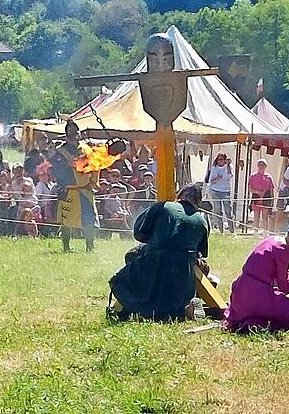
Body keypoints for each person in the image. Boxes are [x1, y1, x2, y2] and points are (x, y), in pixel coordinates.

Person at [109, 184, 210, 321]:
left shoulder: (162, 206)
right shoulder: (202, 220)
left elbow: (139, 233)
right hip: (183, 274)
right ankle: (190, 301)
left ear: (179, 196)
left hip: (154, 260)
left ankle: (131, 305)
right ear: (198, 202)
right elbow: (201, 252)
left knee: (131, 257)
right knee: (201, 266)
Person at [223, 219, 289, 332]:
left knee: (285, 300)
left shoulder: (272, 239)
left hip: (240, 291)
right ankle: (256, 324)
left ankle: (248, 321)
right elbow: (284, 287)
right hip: (256, 295)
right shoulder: (284, 250)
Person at [50, 120, 99, 252]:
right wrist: (68, 166)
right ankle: (66, 247)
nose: (74, 134)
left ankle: (90, 246)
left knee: (89, 219)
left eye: (75, 131)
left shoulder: (87, 150)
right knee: (66, 221)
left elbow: (95, 167)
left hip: (85, 189)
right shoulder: (60, 151)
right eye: (71, 132)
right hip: (69, 189)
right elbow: (55, 169)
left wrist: (93, 183)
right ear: (67, 134)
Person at [207, 153, 234, 233]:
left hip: (225, 191)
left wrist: (228, 165)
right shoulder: (214, 168)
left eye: (221, 159)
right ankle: (221, 230)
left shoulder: (229, 167)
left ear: (225, 160)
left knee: (228, 211)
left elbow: (230, 175)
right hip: (215, 191)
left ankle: (232, 230)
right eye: (218, 159)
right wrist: (217, 179)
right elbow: (210, 180)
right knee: (218, 211)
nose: (220, 161)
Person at [248, 159, 275, 233]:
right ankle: (255, 233)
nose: (261, 166)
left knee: (265, 217)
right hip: (256, 198)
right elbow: (250, 188)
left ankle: (265, 233)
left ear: (265, 166)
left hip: (266, 198)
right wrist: (257, 192)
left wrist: (272, 201)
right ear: (257, 166)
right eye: (260, 164)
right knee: (256, 217)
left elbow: (271, 190)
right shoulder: (253, 176)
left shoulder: (269, 177)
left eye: (263, 165)